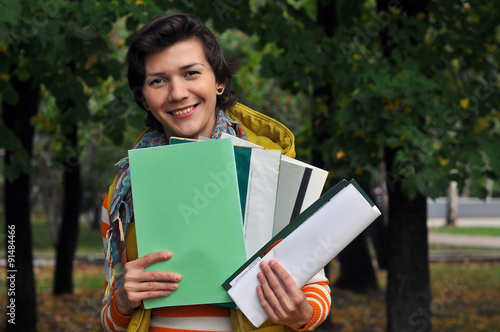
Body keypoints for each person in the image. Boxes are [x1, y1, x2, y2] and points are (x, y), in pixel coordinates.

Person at [100, 13, 331, 332]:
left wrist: (300, 313)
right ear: (144, 97)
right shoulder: (123, 191)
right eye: (158, 80)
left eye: (191, 73)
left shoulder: (271, 169)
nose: (178, 92)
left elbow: (316, 292)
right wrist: (122, 303)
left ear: (219, 81)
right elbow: (110, 318)